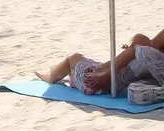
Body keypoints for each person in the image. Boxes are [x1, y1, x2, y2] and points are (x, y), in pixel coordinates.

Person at [35, 28, 164, 96]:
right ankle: (70, 76)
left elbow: (139, 49)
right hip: (118, 77)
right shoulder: (151, 56)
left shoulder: (147, 52)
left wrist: (106, 73)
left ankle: (50, 77)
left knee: (72, 59)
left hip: (105, 84)